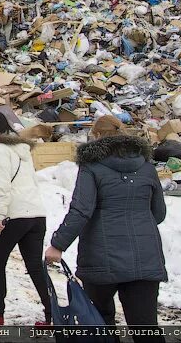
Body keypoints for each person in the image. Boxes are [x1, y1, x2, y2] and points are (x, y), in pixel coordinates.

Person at [45, 133, 167, 342]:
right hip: (145, 260)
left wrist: (58, 245)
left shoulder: (91, 167)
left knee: (99, 323)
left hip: (99, 259)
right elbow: (158, 213)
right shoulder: (147, 167)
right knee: (146, 328)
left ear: (99, 137)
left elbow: (81, 211)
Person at [0, 112, 52, 327]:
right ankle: (52, 315)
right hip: (36, 215)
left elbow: (2, 185)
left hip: (13, 216)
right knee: (35, 267)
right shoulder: (22, 149)